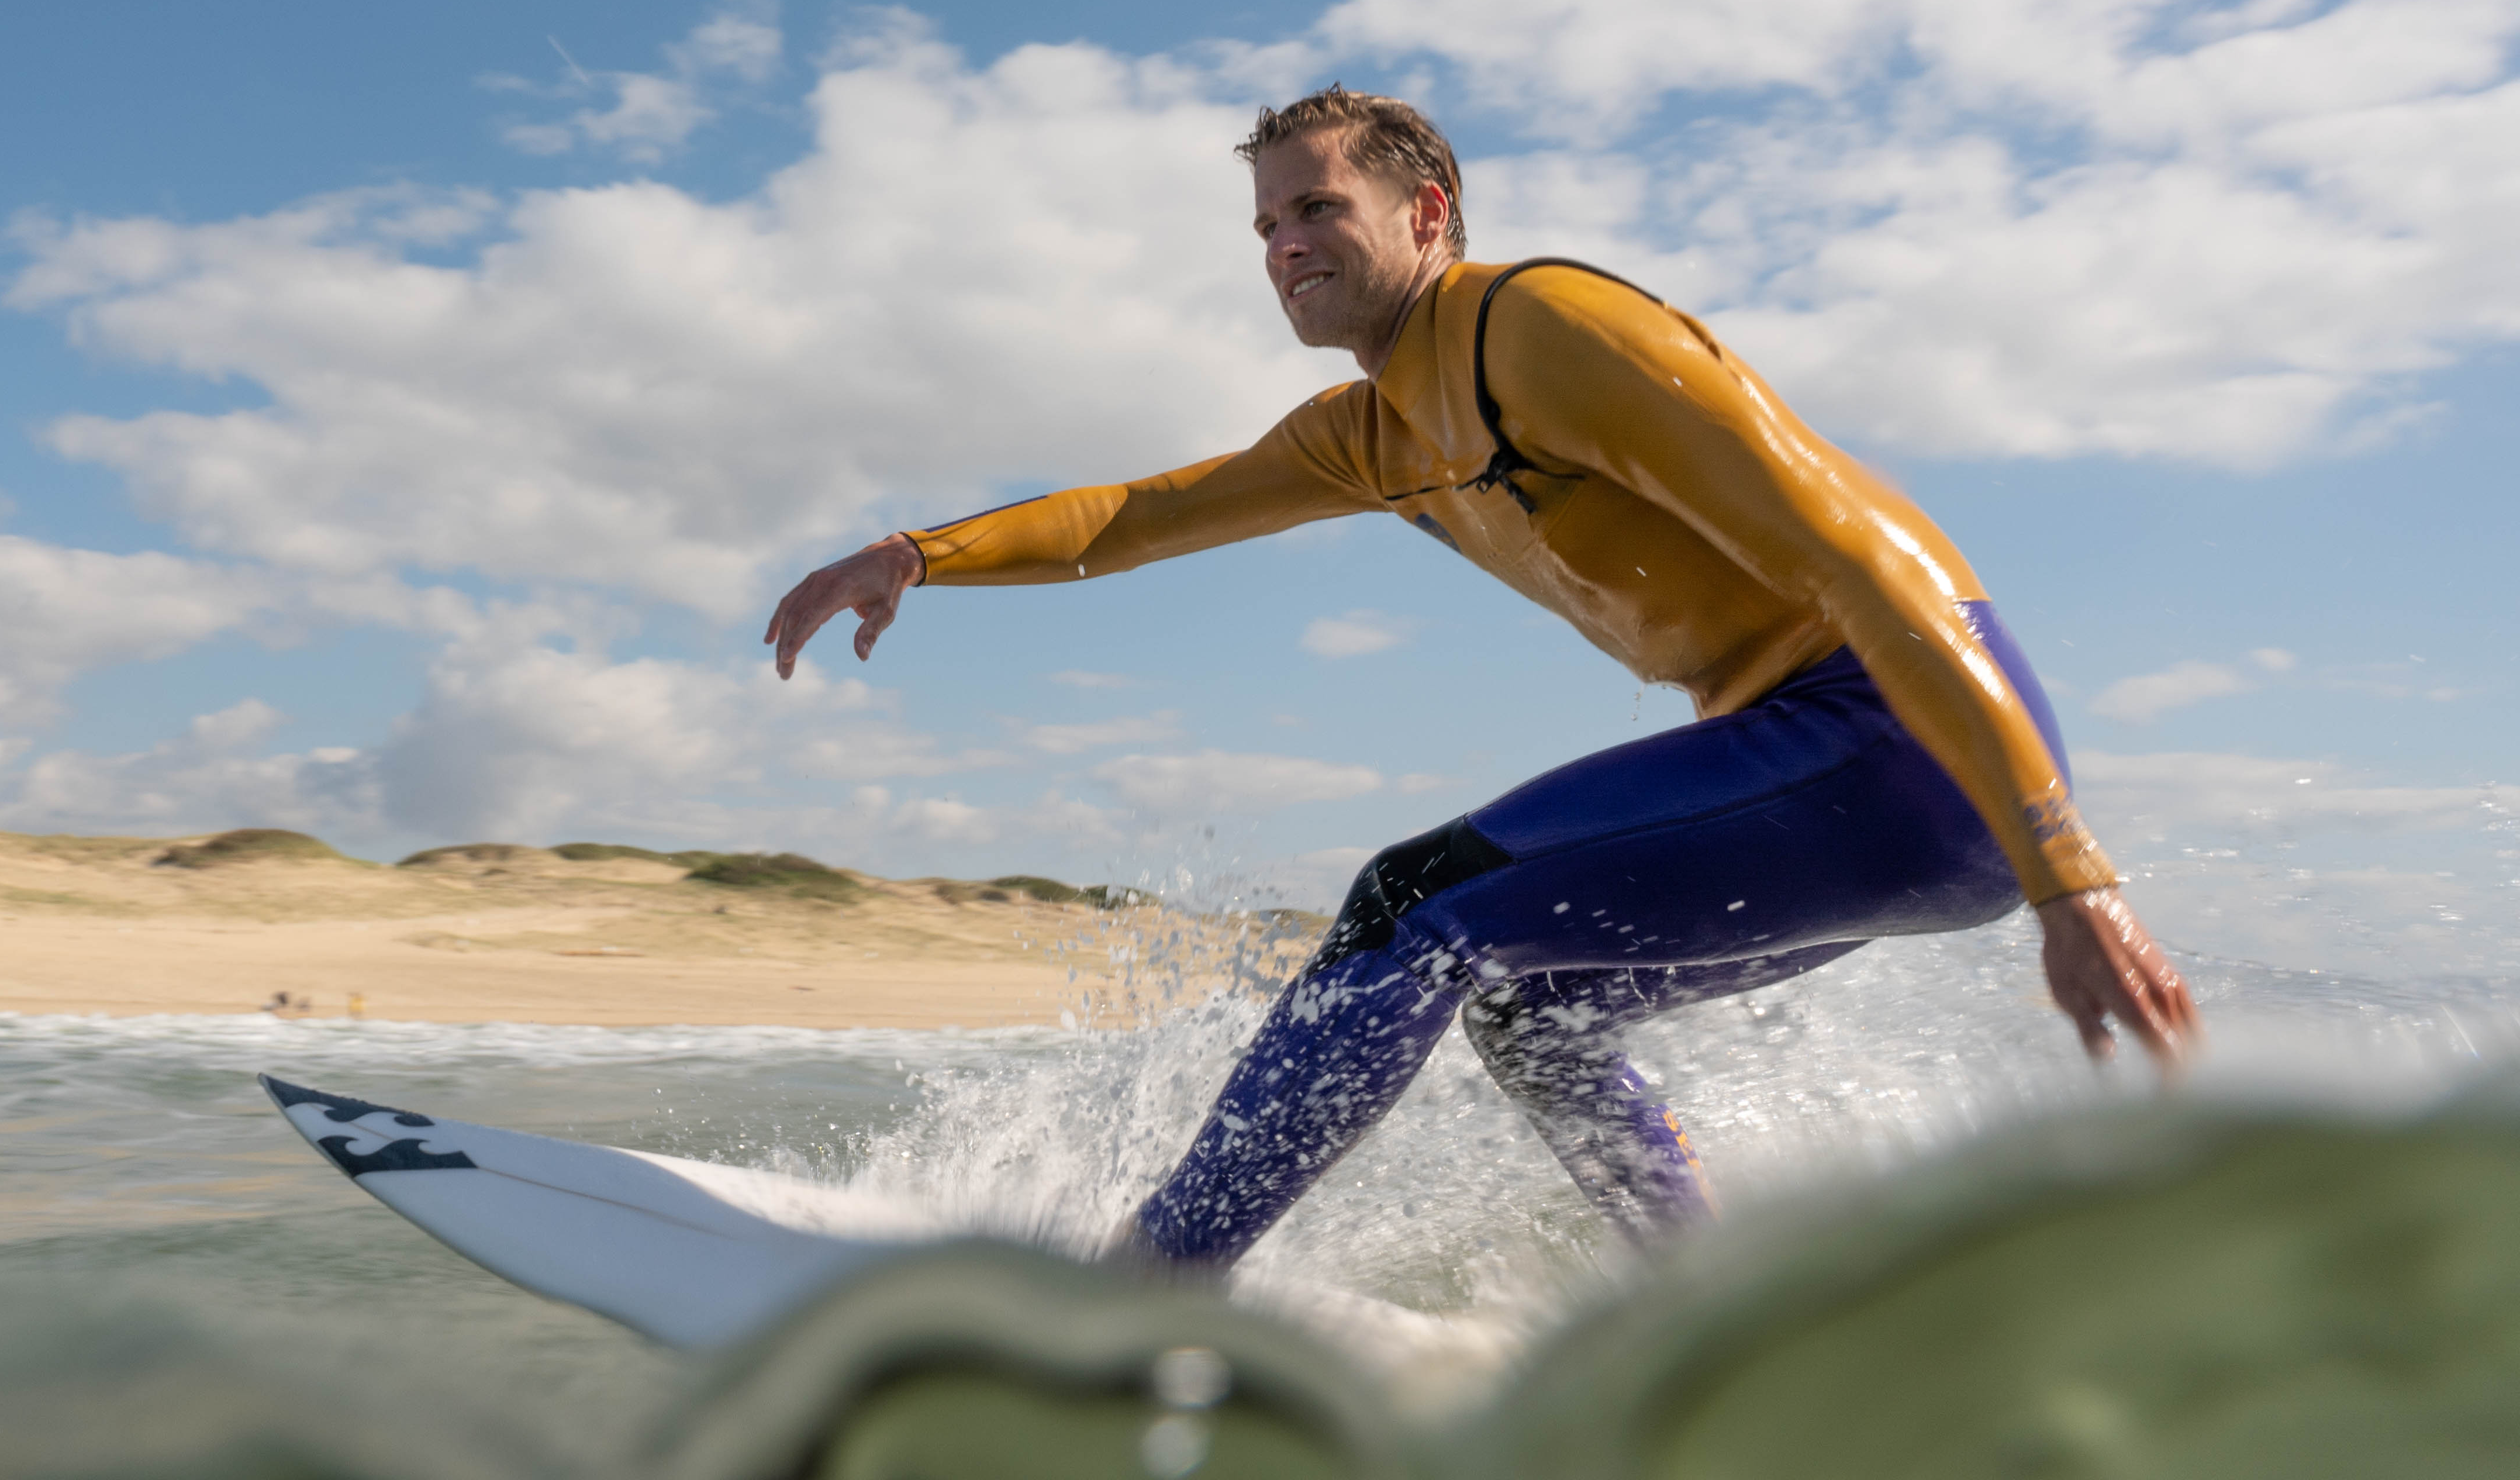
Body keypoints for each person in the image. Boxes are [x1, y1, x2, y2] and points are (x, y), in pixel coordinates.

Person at [761, 85, 2199, 1263]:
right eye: (1264, 222)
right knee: (1533, 1004)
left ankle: (1148, 1282)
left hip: (1910, 738)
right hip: (1837, 784)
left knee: (1415, 898)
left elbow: (1870, 559)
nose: (1283, 243)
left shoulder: (1546, 328)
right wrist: (918, 552)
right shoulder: (1371, 431)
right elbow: (1140, 515)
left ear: (1424, 213)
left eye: (1317, 204)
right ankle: (1708, 1304)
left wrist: (2069, 871)